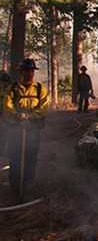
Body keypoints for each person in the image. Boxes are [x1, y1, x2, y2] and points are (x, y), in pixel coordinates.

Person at [3, 58, 50, 203]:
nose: (29, 73)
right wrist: (17, 117)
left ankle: (28, 187)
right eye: (26, 71)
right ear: (21, 72)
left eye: (31, 71)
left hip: (32, 129)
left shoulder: (39, 89)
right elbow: (7, 106)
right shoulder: (13, 88)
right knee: (15, 158)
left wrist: (30, 117)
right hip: (15, 130)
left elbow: (44, 106)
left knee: (30, 158)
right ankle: (16, 191)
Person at [0, 72, 11, 156]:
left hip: (10, 116)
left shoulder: (12, 91)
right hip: (1, 115)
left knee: (8, 134)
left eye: (6, 81)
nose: (4, 83)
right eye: (3, 81)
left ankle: (7, 151)